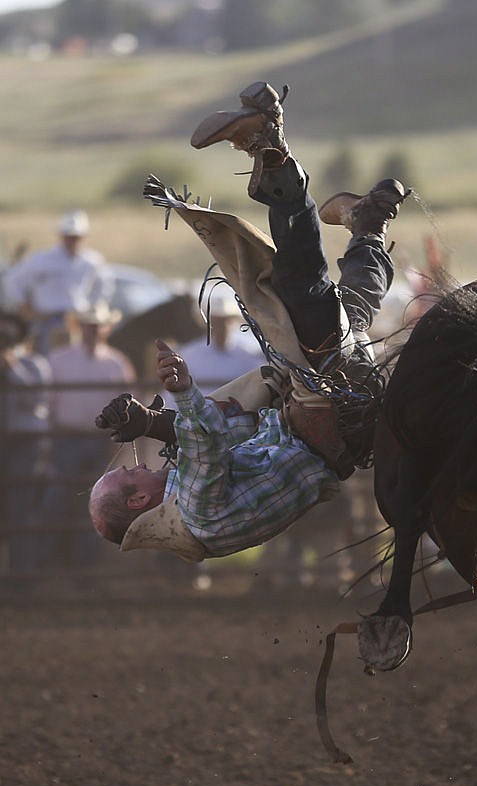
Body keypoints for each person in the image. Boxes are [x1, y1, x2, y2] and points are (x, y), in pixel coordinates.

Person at [89, 80, 410, 560]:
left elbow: (231, 434)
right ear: (137, 500)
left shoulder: (196, 504)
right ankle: (270, 145)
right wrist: (175, 396)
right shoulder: (196, 507)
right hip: (322, 413)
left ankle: (368, 225)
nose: (134, 465)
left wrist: (151, 422)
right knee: (296, 287)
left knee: (347, 313)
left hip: (329, 420)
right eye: (128, 474)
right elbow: (209, 438)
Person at [48, 301, 136, 565]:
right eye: (88, 325)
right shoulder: (60, 360)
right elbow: (49, 405)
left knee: (95, 501)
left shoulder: (116, 363)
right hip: (67, 437)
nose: (92, 330)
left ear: (105, 328)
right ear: (79, 327)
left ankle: (84, 563)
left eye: (96, 325)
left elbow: (129, 407)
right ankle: (58, 561)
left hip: (99, 440)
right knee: (60, 498)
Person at [3, 210, 115, 356]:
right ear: (61, 236)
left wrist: (92, 309)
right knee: (47, 359)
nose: (72, 240)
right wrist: (25, 307)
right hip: (46, 320)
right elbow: (13, 282)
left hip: (77, 321)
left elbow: (106, 286)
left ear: (83, 237)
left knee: (74, 360)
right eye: (69, 236)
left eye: (75, 237)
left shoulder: (91, 261)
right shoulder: (42, 260)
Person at [0, 311, 54, 572]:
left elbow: (35, 401)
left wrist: (11, 367)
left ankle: (23, 572)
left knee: (21, 505)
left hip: (23, 442)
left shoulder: (33, 364)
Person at [170, 284, 263, 400]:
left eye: (225, 321)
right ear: (209, 323)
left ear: (233, 322)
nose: (222, 326)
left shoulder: (248, 356)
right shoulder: (189, 355)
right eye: (217, 321)